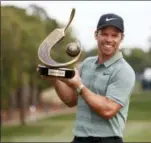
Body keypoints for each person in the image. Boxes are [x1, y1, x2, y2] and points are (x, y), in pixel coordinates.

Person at [39, 12, 135, 143]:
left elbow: (108, 110)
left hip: (108, 140)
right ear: (96, 35)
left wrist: (79, 86)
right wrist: (54, 78)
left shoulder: (124, 70)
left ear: (121, 38)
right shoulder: (87, 64)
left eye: (114, 35)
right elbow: (71, 100)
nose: (109, 39)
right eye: (104, 34)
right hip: (79, 138)